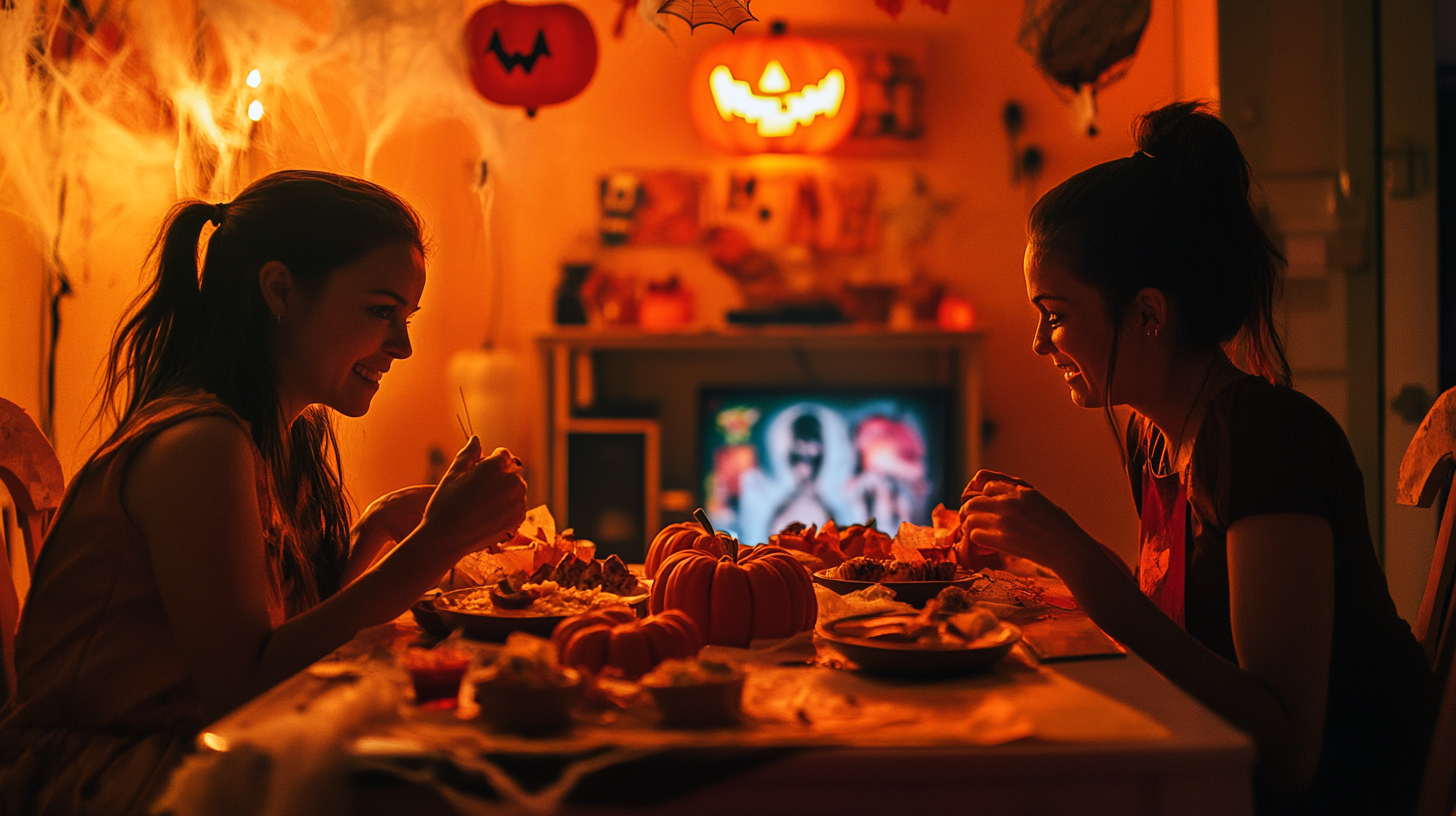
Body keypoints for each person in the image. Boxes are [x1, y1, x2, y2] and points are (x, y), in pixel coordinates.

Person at [958, 102, 1436, 816]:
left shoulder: (1267, 441)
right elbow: (1184, 633)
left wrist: (1080, 558)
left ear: (1148, 314)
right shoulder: (1157, 437)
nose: (1038, 342)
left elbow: (1288, 753)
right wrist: (1048, 562)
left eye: (1053, 314)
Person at [0, 170, 528, 815]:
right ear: (279, 289)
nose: (404, 344)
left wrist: (381, 527)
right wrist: (437, 543)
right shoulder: (199, 445)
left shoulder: (277, 434)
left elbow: (291, 636)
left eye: (406, 316)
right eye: (380, 311)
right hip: (118, 776)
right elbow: (245, 690)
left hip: (197, 749)